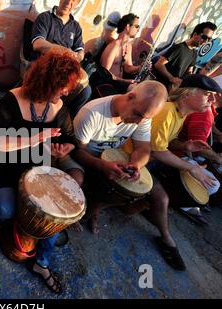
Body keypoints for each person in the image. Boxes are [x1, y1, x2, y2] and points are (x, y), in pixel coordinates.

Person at [0, 49, 84, 294]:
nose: (67, 92)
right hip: (3, 165)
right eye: (63, 87)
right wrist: (35, 138)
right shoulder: (12, 100)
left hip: (37, 168)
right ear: (48, 83)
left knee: (53, 215)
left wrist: (64, 148)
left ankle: (42, 263)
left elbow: (70, 138)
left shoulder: (58, 107)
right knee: (5, 210)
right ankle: (3, 220)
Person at [73, 81, 188, 271]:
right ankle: (92, 207)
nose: (139, 122)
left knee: (156, 195)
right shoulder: (93, 113)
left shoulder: (143, 115)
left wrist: (136, 164)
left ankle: (96, 207)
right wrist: (102, 165)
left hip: (114, 160)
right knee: (92, 181)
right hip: (89, 160)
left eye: (144, 118)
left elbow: (143, 148)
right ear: (130, 97)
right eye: (138, 115)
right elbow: (76, 152)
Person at [148, 74, 221, 225]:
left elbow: (168, 142)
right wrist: (191, 167)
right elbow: (156, 150)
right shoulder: (168, 111)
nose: (213, 100)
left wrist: (185, 145)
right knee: (163, 199)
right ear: (187, 93)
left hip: (152, 161)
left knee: (207, 183)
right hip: (144, 161)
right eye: (208, 95)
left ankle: (148, 204)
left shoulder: (180, 114)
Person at [31, 0, 91, 117]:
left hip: (65, 70)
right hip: (46, 66)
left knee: (85, 91)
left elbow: (80, 51)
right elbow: (37, 44)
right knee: (55, 84)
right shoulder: (45, 18)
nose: (69, 2)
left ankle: (64, 120)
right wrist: (65, 51)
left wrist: (77, 56)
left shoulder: (76, 27)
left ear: (77, 4)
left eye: (74, 1)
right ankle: (43, 116)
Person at [154, 22, 217, 91]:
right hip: (158, 87)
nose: (206, 41)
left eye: (209, 39)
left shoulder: (194, 53)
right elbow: (159, 64)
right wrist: (171, 78)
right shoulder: (179, 48)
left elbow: (189, 72)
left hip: (170, 91)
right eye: (204, 37)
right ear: (195, 34)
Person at [99, 13, 142, 85]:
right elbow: (105, 73)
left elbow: (127, 67)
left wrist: (139, 67)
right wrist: (125, 81)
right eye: (137, 26)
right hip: (109, 84)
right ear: (128, 27)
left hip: (119, 83)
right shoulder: (114, 46)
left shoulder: (128, 46)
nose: (138, 30)